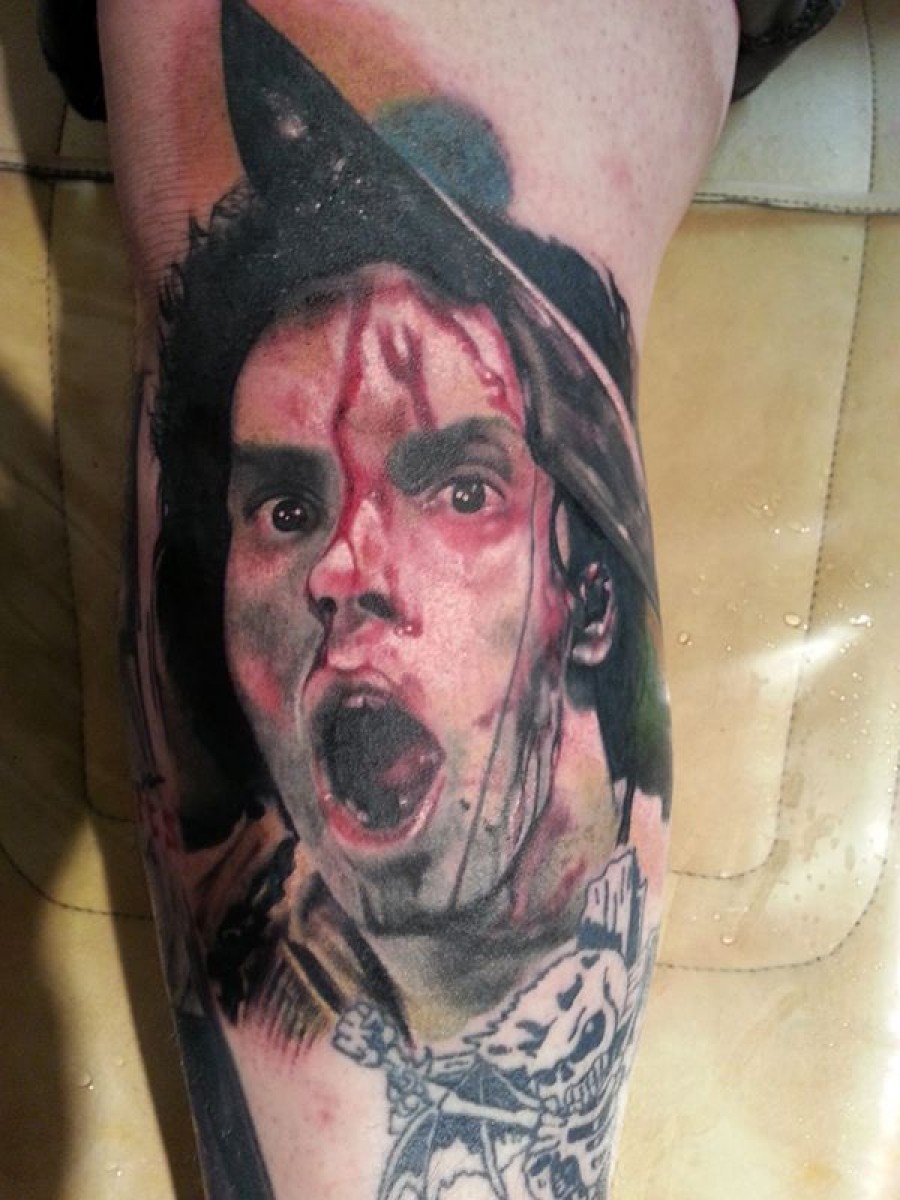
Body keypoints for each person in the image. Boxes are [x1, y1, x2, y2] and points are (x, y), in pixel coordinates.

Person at [38, 1, 845, 1198]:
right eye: (286, 510)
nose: (342, 570)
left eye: (459, 488)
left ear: (589, 598)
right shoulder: (271, 942)